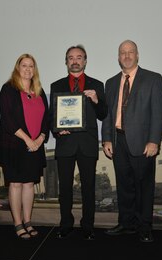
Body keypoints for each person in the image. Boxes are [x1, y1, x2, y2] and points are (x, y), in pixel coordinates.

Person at [101, 40, 162, 243]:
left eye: (131, 52)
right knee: (124, 186)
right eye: (122, 53)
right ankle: (126, 223)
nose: (127, 56)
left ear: (137, 55)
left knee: (144, 187)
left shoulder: (153, 79)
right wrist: (107, 139)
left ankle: (145, 227)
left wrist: (154, 141)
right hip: (118, 142)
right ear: (118, 57)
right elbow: (108, 115)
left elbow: (158, 113)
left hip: (143, 143)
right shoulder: (110, 83)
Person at [49, 45, 108, 240]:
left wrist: (96, 100)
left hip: (87, 144)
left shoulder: (97, 85)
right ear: (66, 62)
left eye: (79, 57)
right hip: (65, 143)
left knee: (88, 188)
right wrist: (57, 130)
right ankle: (66, 224)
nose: (75, 61)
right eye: (71, 58)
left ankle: (88, 225)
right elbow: (52, 117)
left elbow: (103, 114)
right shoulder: (56, 86)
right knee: (64, 188)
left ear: (85, 61)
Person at [0, 53, 49, 240]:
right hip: (15, 146)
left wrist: (41, 137)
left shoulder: (39, 90)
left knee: (29, 184)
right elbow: (8, 120)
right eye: (24, 65)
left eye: (31, 66)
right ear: (17, 68)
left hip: (36, 146)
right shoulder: (8, 89)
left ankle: (28, 221)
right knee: (16, 184)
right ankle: (18, 223)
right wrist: (28, 140)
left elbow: (47, 118)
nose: (28, 69)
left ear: (35, 70)